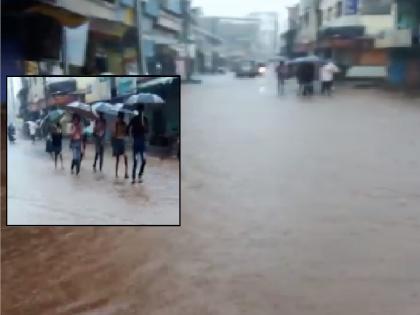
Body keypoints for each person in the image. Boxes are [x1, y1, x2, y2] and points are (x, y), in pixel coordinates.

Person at [127, 105, 149, 183]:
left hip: (142, 143)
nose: (141, 112)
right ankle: (133, 177)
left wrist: (144, 127)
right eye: (140, 110)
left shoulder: (145, 119)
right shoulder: (134, 119)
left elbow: (147, 131)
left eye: (142, 110)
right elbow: (128, 127)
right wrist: (130, 136)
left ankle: (139, 175)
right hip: (136, 142)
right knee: (136, 160)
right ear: (138, 111)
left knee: (144, 160)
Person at [113, 112, 129, 179]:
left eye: (121, 117)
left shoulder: (124, 124)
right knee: (117, 159)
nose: (120, 118)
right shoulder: (116, 124)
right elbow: (114, 134)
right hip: (117, 141)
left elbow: (126, 134)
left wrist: (124, 133)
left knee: (125, 157)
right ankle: (116, 174)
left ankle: (126, 173)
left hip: (122, 141)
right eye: (119, 117)